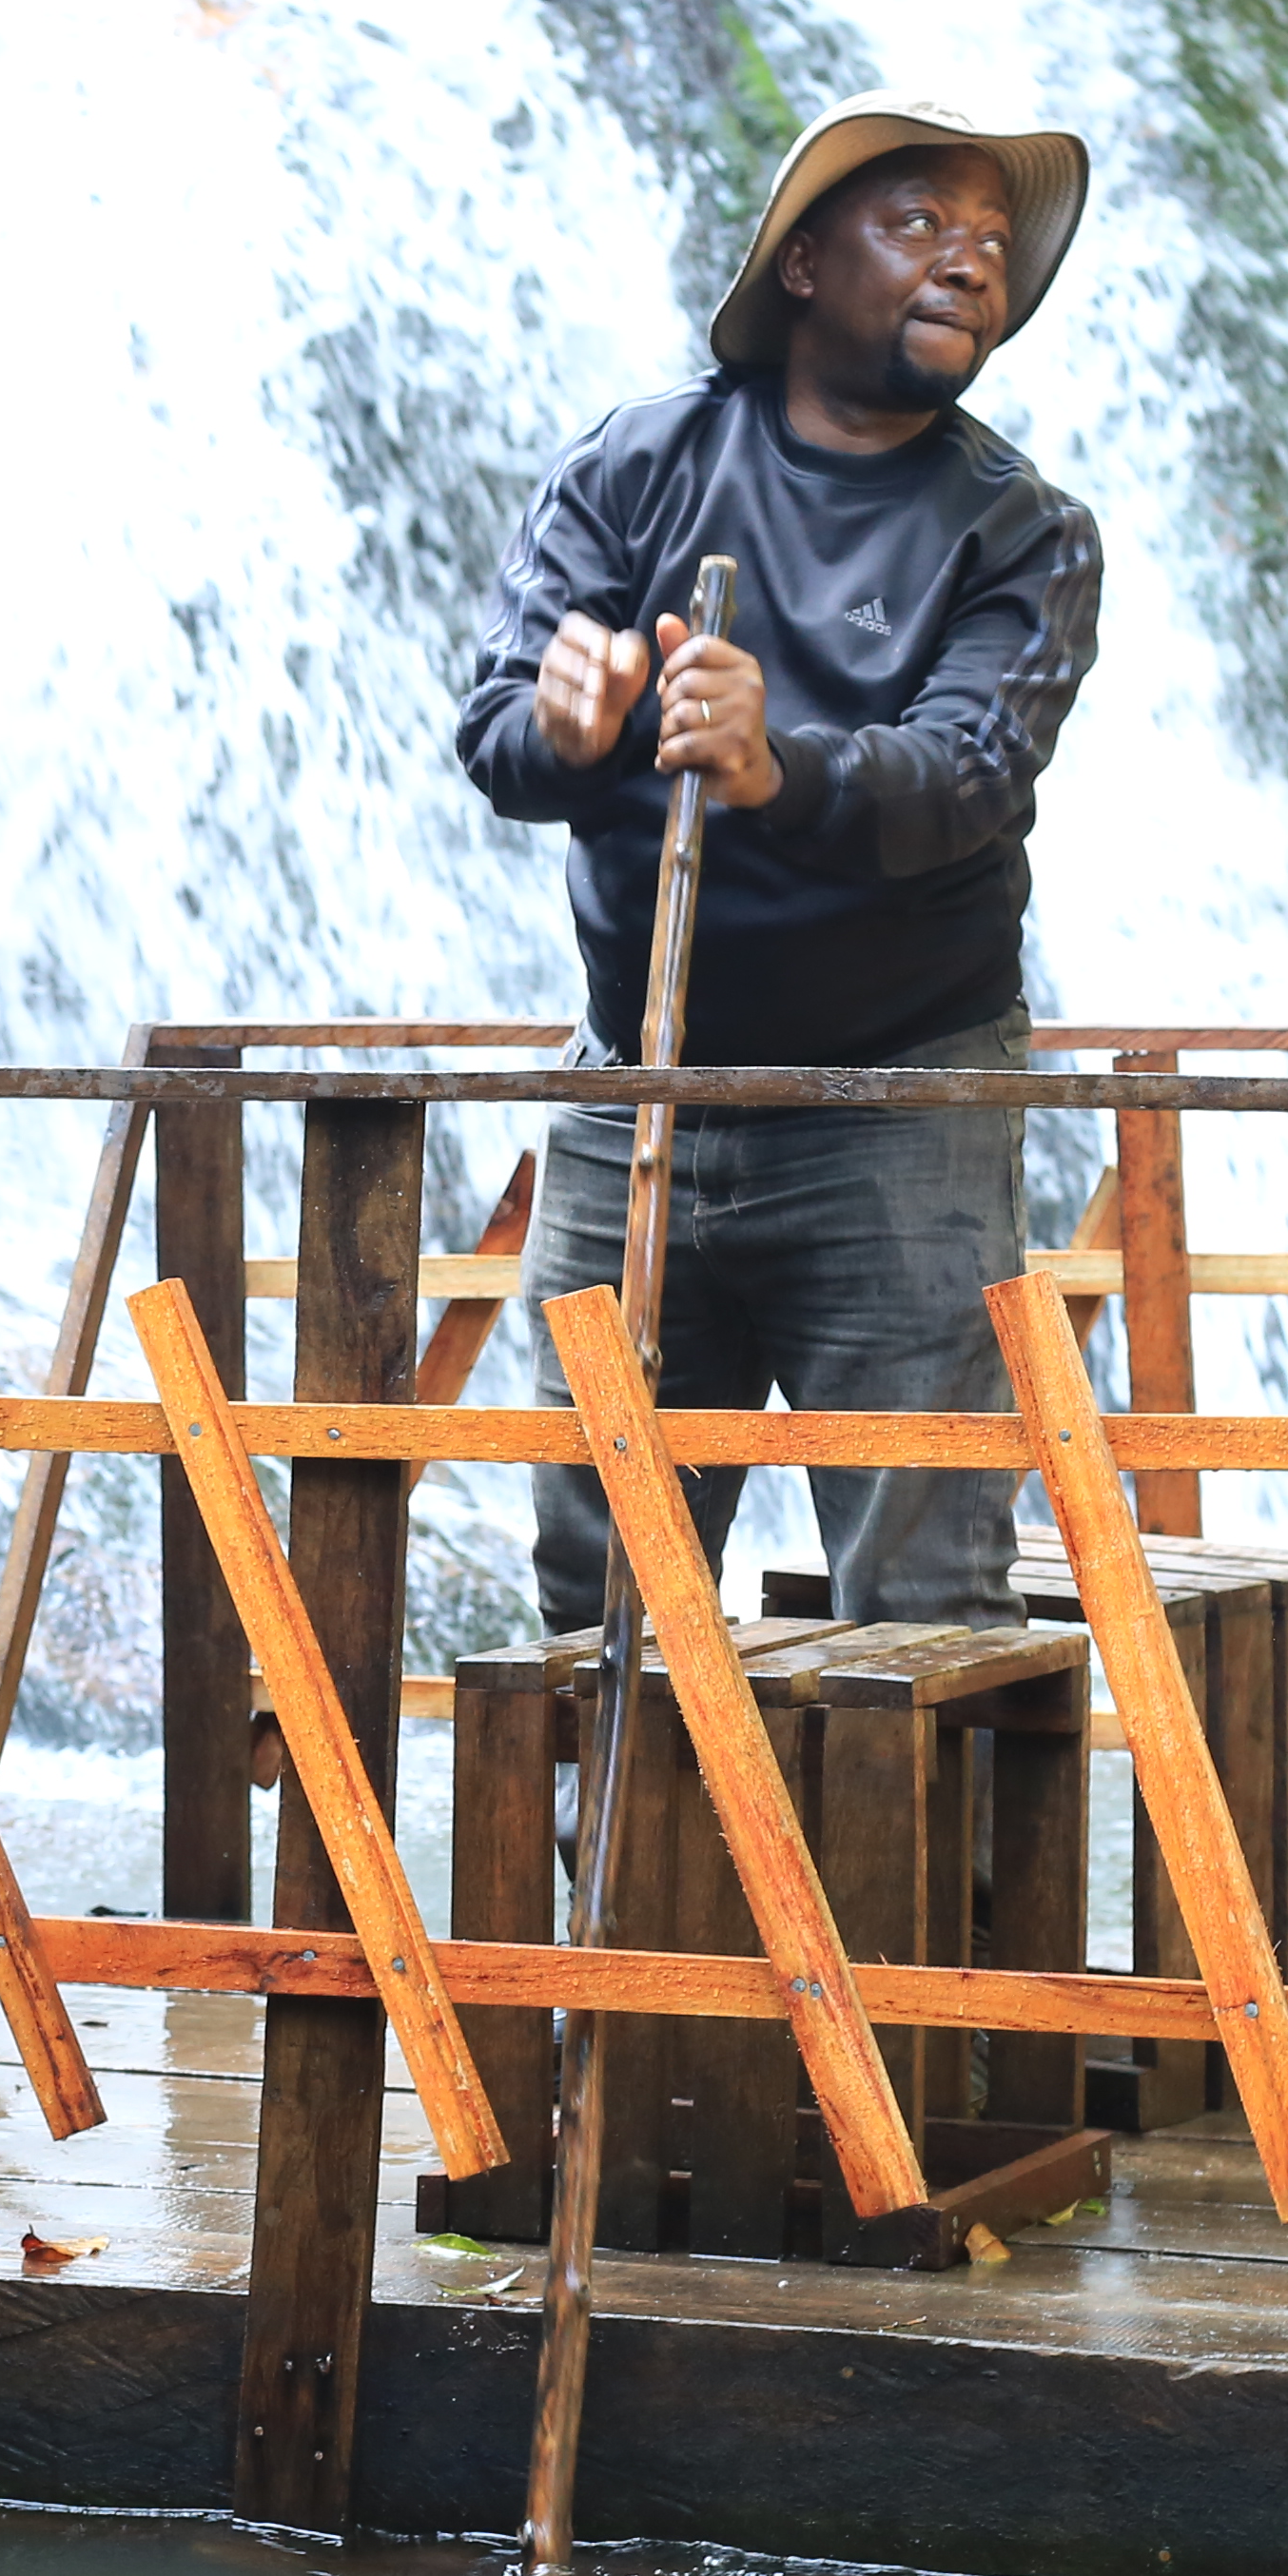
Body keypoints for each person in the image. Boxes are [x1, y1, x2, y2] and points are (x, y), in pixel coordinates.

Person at [449, 89, 1104, 1634]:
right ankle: (625, 1885)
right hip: (638, 1095)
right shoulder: (635, 466)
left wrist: (772, 761)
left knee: (922, 1597)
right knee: (600, 1585)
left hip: (899, 1107)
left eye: (994, 244)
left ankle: (905, 1891)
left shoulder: (1023, 533)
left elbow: (969, 777)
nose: (969, 264)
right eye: (921, 223)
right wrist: (580, 723)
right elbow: (496, 734)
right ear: (802, 265)